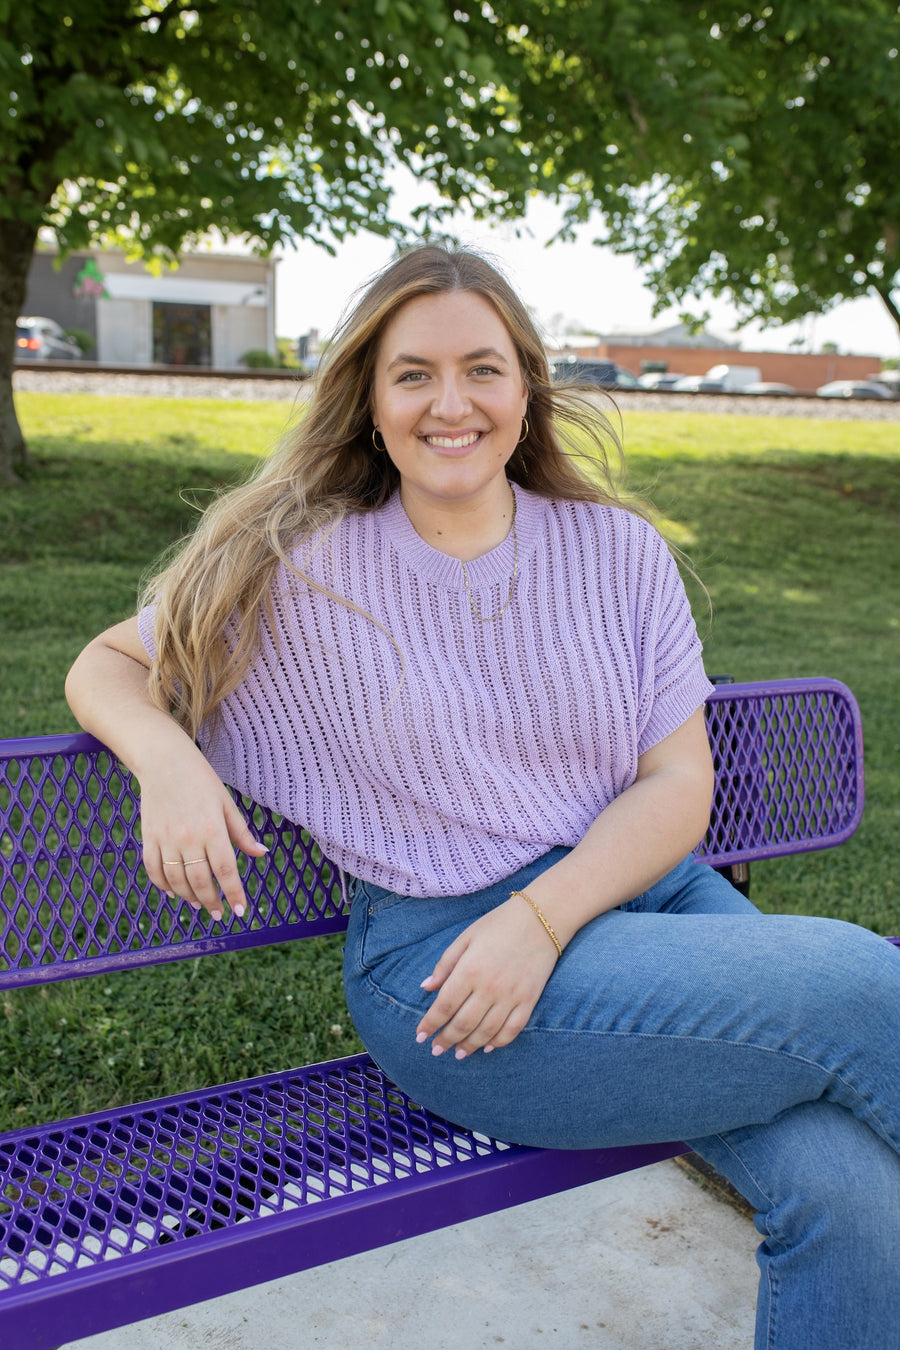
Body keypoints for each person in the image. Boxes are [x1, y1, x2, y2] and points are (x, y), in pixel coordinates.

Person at [66, 243, 900, 1350]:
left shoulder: (618, 549)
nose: (449, 403)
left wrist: (544, 917)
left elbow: (676, 780)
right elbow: (106, 665)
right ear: (367, 399)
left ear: (526, 388)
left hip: (649, 908)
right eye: (412, 374)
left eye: (482, 369)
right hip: (451, 971)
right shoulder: (297, 564)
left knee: (855, 1195)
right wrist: (167, 761)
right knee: (854, 976)